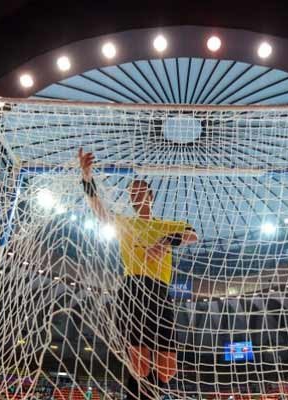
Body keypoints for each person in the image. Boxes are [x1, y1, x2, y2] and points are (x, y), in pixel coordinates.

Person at [78, 149, 198, 399]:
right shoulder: (125, 222)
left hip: (160, 292)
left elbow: (193, 235)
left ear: (151, 196)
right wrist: (87, 177)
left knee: (167, 370)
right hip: (133, 290)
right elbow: (99, 210)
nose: (135, 196)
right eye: (132, 193)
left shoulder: (166, 224)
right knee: (139, 363)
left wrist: (165, 242)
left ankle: (151, 393)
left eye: (140, 191)